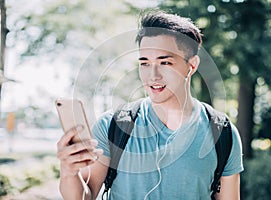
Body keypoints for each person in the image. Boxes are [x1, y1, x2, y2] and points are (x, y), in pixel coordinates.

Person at [57, 11, 244, 200]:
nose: (153, 76)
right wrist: (68, 172)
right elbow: (84, 197)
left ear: (192, 65)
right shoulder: (113, 126)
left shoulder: (222, 132)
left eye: (165, 62)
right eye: (145, 63)